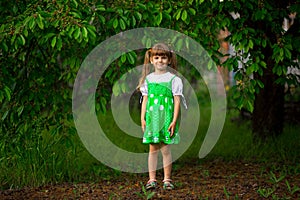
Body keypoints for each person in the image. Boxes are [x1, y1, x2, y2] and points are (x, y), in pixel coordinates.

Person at [137, 43, 185, 190]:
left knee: (165, 149)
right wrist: (142, 118)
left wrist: (174, 120)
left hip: (166, 119)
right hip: (152, 119)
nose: (160, 60)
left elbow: (177, 101)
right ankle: (151, 180)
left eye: (163, 57)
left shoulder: (174, 79)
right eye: (156, 57)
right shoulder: (148, 79)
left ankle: (167, 179)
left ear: (169, 60)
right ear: (151, 60)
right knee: (152, 149)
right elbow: (145, 100)